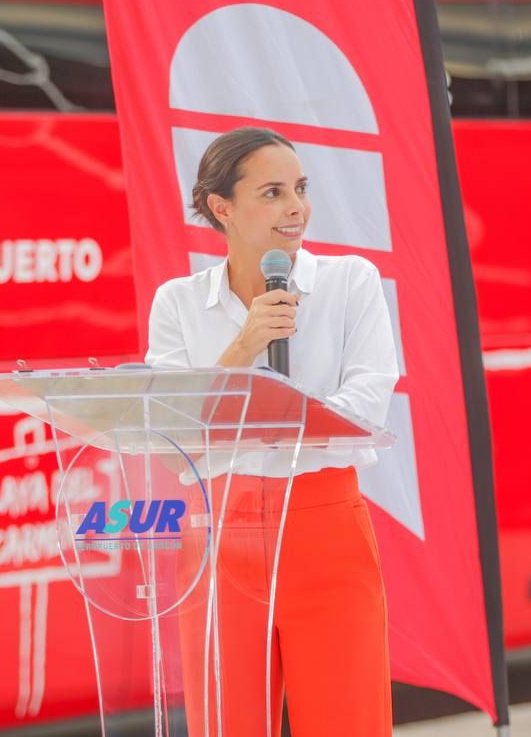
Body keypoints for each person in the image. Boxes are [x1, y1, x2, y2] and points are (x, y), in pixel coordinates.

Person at [144, 126, 399, 736]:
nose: (296, 208)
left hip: (324, 524)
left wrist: (266, 415)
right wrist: (244, 346)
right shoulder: (178, 303)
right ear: (222, 208)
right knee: (224, 724)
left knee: (347, 721)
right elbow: (171, 440)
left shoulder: (349, 282)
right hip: (220, 532)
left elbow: (367, 406)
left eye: (300, 189)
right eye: (273, 192)